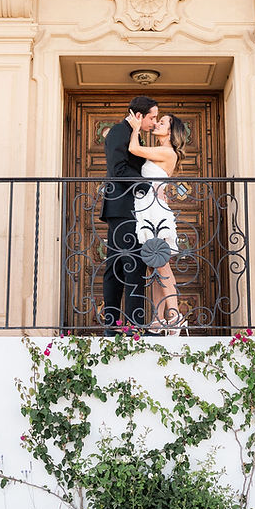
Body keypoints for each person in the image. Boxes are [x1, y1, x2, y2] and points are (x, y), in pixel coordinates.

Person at [100, 95, 158, 333]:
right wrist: (148, 186)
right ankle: (129, 326)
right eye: (151, 117)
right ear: (137, 115)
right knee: (125, 265)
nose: (154, 122)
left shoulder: (133, 134)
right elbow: (119, 169)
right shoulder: (118, 132)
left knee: (122, 265)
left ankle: (121, 325)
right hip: (123, 209)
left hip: (130, 209)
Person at [127, 109, 188, 334]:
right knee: (153, 265)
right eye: (158, 121)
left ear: (172, 133)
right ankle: (157, 317)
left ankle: (174, 315)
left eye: (162, 123)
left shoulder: (167, 152)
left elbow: (133, 149)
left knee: (161, 263)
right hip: (147, 208)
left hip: (155, 212)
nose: (157, 124)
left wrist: (135, 128)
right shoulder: (161, 150)